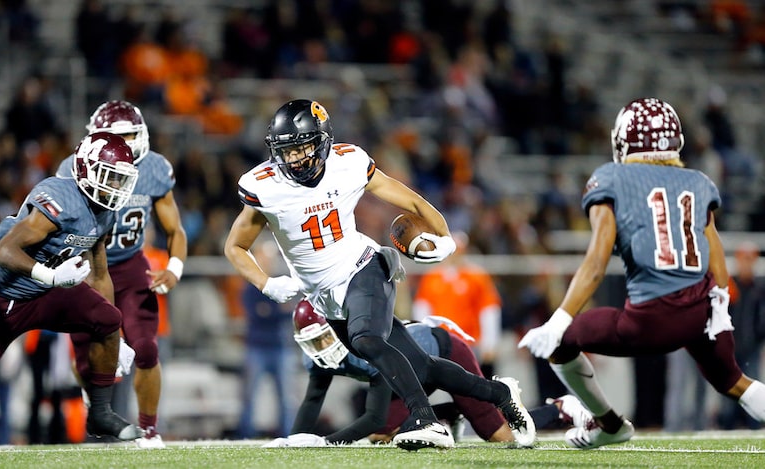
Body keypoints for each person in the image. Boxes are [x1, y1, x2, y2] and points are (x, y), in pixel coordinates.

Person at [224, 99, 535, 450]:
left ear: (323, 142)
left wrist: (445, 237)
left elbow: (413, 202)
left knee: (366, 339)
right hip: (324, 296)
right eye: (287, 150)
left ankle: (425, 419)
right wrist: (265, 282)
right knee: (422, 367)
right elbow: (235, 246)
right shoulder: (264, 186)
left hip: (364, 266)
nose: (294, 158)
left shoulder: (348, 163)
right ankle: (500, 392)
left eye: (302, 148)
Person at [518, 97, 765, 449]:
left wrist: (559, 320)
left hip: (651, 318)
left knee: (561, 343)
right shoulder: (697, 181)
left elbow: (596, 263)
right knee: (735, 382)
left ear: (624, 140)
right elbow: (717, 259)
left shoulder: (610, 177)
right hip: (703, 312)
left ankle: (609, 425)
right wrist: (719, 309)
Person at [0, 132, 143, 449]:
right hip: (4, 299)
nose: (115, 186)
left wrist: (116, 335)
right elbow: (4, 250)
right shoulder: (60, 196)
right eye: (110, 176)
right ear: (86, 168)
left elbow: (100, 273)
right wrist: (48, 274)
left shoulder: (105, 212)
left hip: (48, 294)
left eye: (119, 179)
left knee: (108, 318)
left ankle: (100, 412)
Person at [265, 300, 590, 447]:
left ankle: (559, 409)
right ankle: (448, 415)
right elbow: (311, 401)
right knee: (385, 435)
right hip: (406, 374)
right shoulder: (320, 357)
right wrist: (294, 442)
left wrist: (324, 443)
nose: (322, 347)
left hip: (444, 353)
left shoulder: (364, 345)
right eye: (314, 342)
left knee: (500, 436)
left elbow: (373, 416)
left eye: (325, 336)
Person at [56, 100, 188, 449]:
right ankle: (94, 401)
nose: (125, 145)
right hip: (86, 266)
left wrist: (174, 267)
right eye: (117, 137)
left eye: (131, 135)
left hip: (130, 266)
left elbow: (174, 228)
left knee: (146, 348)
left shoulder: (154, 168)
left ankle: (148, 429)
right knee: (89, 360)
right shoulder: (73, 168)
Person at [412, 231, 503, 378]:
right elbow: (422, 309)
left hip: (469, 342)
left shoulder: (476, 276)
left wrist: (489, 343)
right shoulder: (432, 277)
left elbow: (489, 310)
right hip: (440, 342)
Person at [237, 241, 297, 439]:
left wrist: (271, 312)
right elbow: (257, 314)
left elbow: (288, 311)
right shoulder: (252, 286)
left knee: (286, 398)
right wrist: (276, 311)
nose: (267, 262)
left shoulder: (280, 282)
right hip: (258, 347)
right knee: (249, 397)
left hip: (279, 346)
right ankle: (246, 434)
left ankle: (290, 435)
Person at [717, 241, 765, 429]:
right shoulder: (729, 284)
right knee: (730, 389)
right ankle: (726, 424)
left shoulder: (759, 288)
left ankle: (754, 424)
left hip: (751, 346)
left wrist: (758, 337)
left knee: (752, 386)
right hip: (730, 345)